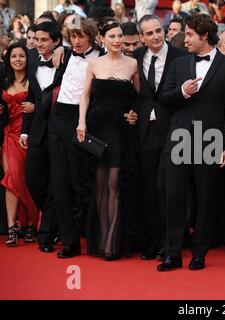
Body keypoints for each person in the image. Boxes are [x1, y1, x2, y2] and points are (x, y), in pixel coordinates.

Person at [158, 13, 225, 271]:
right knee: (173, 197)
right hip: (179, 138)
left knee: (206, 199)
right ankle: (172, 253)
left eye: (191, 35)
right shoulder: (179, 64)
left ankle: (199, 253)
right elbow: (164, 98)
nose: (185, 40)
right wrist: (182, 92)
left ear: (205, 36)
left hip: (212, 140)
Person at [76, 18, 139, 261]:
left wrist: (134, 113)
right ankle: (102, 239)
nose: (116, 40)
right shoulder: (93, 64)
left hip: (121, 131)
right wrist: (81, 122)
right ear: (102, 39)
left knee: (115, 184)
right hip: (97, 128)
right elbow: (85, 96)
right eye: (111, 36)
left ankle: (112, 240)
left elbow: (140, 98)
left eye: (119, 35)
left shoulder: (133, 64)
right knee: (100, 184)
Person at [48, 18, 104, 259]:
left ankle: (94, 238)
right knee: (59, 185)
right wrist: (61, 48)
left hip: (82, 122)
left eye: (82, 36)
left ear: (91, 36)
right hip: (57, 119)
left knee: (82, 184)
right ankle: (70, 241)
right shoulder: (65, 53)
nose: (77, 41)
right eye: (73, 36)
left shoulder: (101, 57)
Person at [133, 14, 187, 260]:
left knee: (170, 189)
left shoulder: (180, 57)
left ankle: (171, 243)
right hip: (145, 130)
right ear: (141, 38)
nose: (156, 36)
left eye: (158, 31)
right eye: (150, 33)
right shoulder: (135, 58)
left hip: (174, 129)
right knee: (148, 190)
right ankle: (153, 241)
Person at [20, 22, 66, 254]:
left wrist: (64, 49)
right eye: (36, 39)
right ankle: (52, 219)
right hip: (37, 131)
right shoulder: (32, 61)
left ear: (57, 41)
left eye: (44, 40)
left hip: (61, 131)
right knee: (34, 180)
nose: (38, 43)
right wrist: (25, 131)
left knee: (57, 182)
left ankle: (46, 233)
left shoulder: (68, 60)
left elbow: (92, 49)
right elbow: (30, 97)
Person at [1, 43, 39, 246]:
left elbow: (44, 102)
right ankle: (12, 228)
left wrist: (35, 106)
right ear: (8, 60)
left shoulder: (34, 81)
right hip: (9, 137)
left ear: (27, 59)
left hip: (29, 137)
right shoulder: (3, 80)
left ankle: (31, 225)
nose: (17, 59)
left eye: (21, 56)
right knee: (11, 180)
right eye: (13, 56)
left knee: (28, 181)